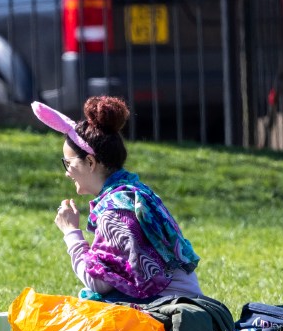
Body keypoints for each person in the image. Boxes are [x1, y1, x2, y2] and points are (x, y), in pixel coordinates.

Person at [32, 96, 203, 303]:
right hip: (177, 302)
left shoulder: (115, 211)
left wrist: (71, 232)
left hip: (167, 308)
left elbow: (97, 282)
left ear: (90, 162)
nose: (67, 173)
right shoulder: (134, 192)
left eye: (68, 163)